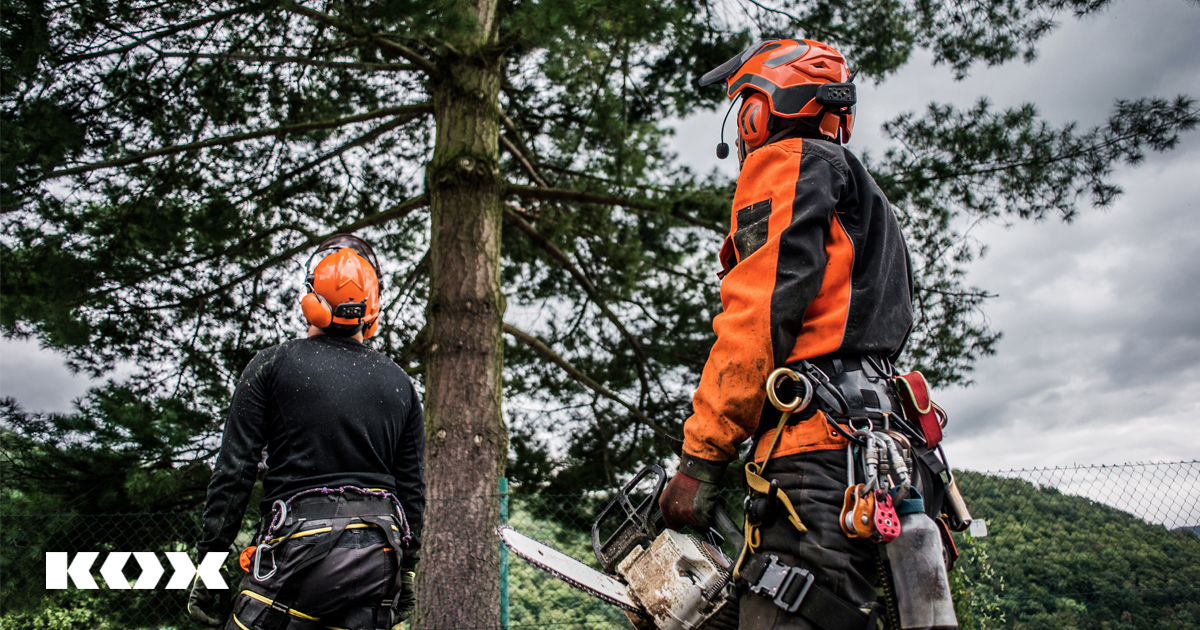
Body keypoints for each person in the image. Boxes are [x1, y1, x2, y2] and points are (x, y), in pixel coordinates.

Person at [659, 39, 955, 629]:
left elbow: (756, 317)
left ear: (758, 110)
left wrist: (701, 457)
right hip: (891, 455)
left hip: (817, 461)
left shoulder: (786, 163)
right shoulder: (868, 200)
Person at [188, 234, 425, 630]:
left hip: (296, 550)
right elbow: (412, 489)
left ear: (311, 301)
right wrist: (409, 571)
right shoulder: (401, 383)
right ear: (372, 310)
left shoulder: (272, 365)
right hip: (379, 560)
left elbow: (234, 473)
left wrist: (211, 567)